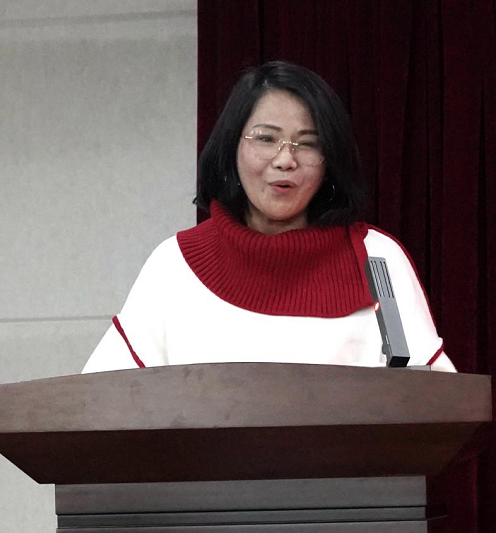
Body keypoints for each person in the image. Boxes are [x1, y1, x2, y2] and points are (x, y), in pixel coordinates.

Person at [82, 61, 456, 373]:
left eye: (307, 143)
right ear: (231, 147)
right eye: (265, 139)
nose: (285, 160)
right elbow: (106, 398)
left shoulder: (378, 258)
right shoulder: (175, 264)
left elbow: (432, 402)